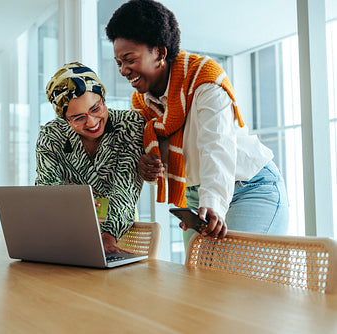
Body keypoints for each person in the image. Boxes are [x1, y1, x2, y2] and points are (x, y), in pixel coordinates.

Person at [105, 0, 289, 247]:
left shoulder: (204, 80)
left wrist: (212, 203)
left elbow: (216, 146)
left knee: (231, 278)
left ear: (159, 52)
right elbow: (158, 152)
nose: (124, 70)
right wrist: (148, 165)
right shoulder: (141, 103)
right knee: (199, 280)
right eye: (119, 63)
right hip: (195, 196)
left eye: (130, 59)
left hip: (249, 186)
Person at [36, 62, 145, 253]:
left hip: (119, 228)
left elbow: (125, 190)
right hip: (70, 230)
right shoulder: (51, 135)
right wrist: (71, 198)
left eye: (96, 108)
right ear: (65, 119)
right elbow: (46, 189)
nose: (92, 122)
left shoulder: (130, 125)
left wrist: (107, 238)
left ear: (103, 98)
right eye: (78, 118)